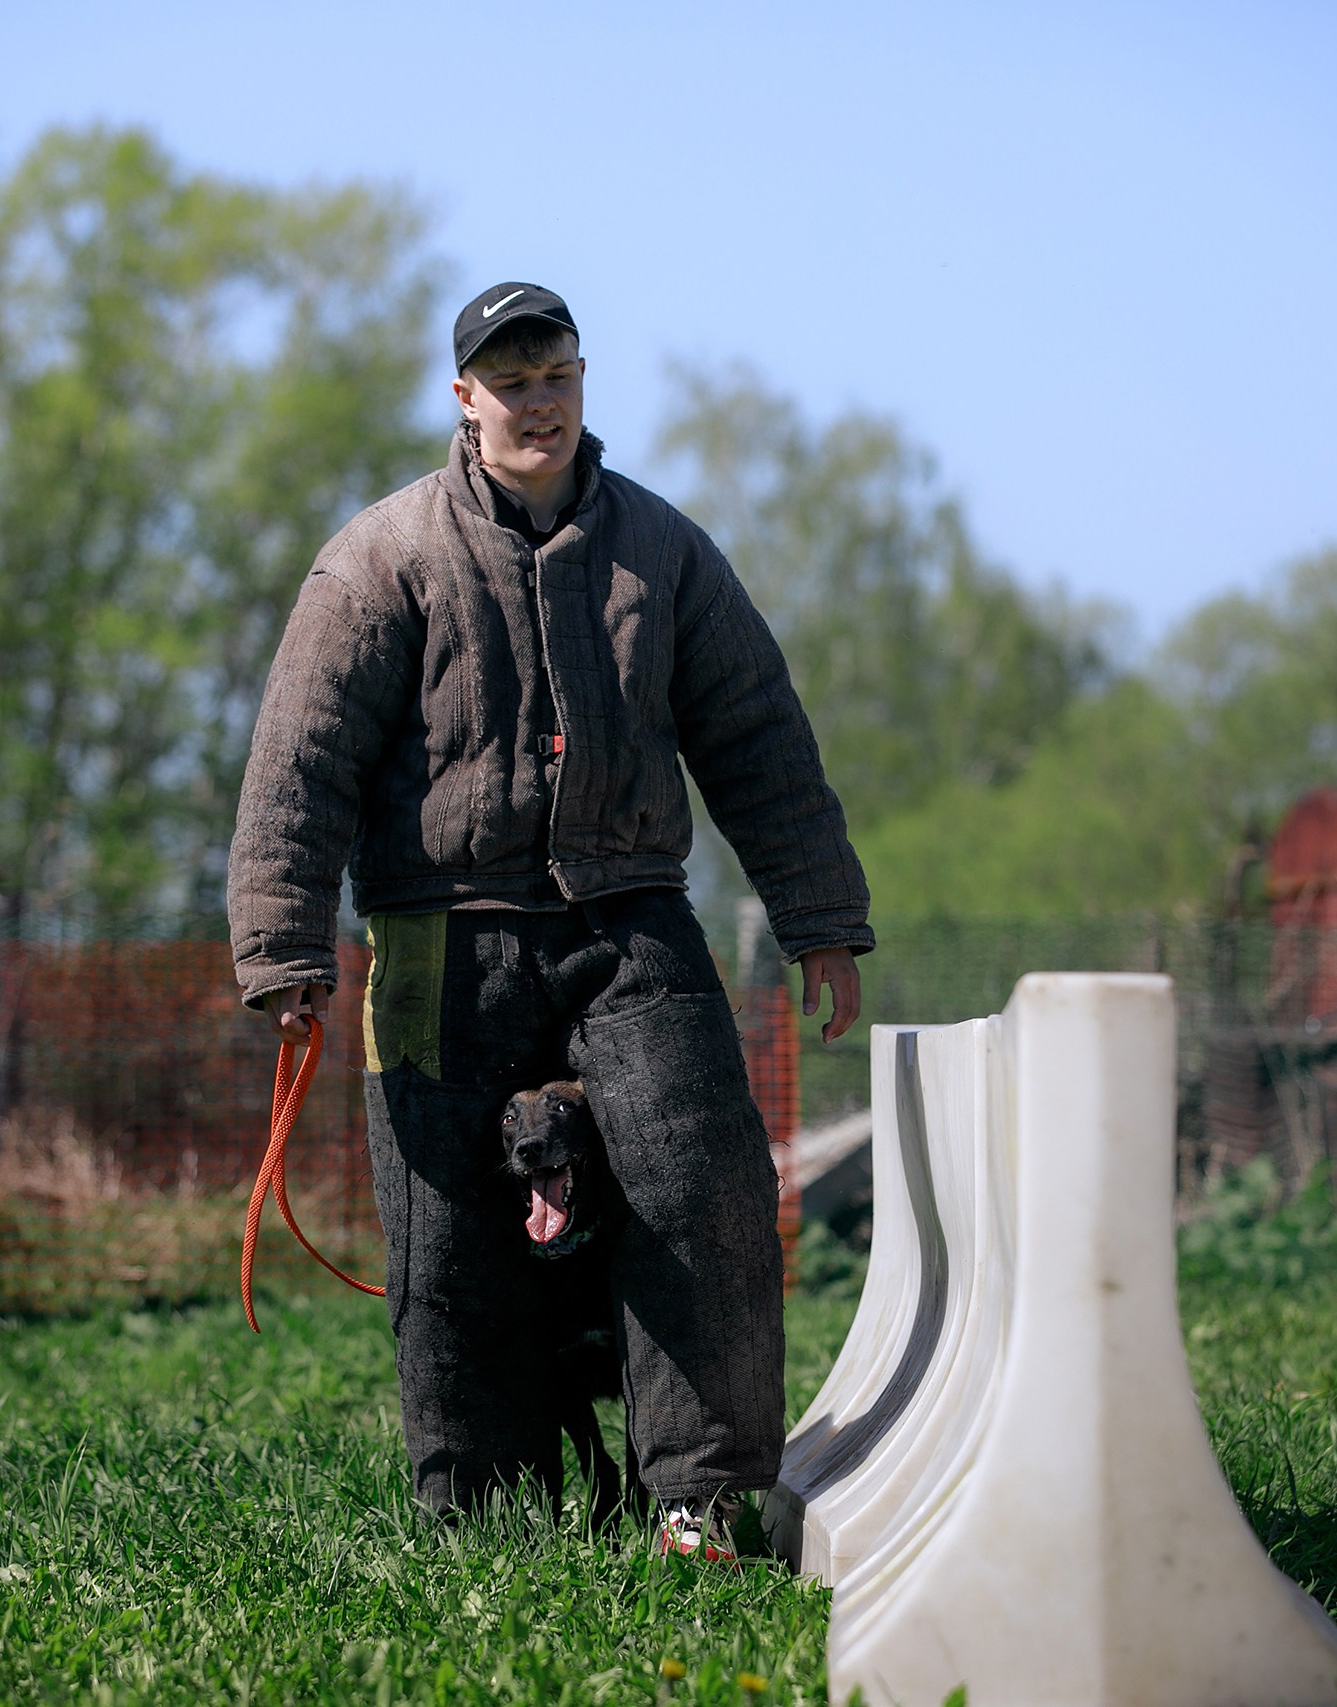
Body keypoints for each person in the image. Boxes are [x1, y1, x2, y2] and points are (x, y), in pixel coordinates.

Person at [228, 282, 871, 1559]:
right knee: (447, 1238)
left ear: (583, 384)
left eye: (557, 376)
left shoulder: (664, 552)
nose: (539, 402)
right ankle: (482, 1521)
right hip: (434, 935)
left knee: (707, 1191)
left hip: (629, 921)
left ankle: (695, 1497)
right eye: (510, 382)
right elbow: (300, 759)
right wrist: (283, 945)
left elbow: (758, 742)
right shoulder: (380, 557)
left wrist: (820, 920)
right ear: (463, 401)